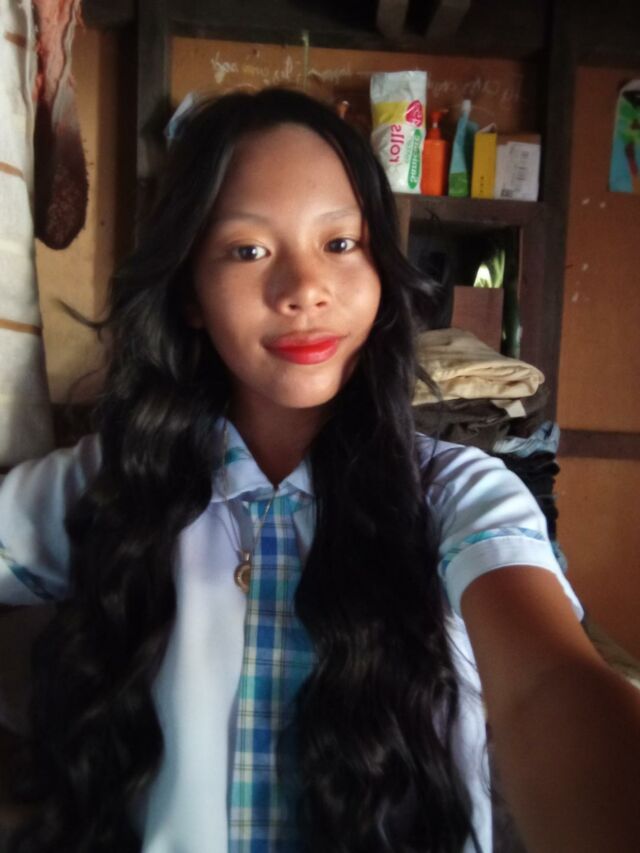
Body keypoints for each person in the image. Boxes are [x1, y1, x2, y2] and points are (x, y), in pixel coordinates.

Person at [0, 88, 638, 853]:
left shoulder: (457, 495)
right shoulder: (109, 480)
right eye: (248, 250)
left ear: (381, 270)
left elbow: (544, 686)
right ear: (190, 291)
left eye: (340, 243)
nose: (305, 288)